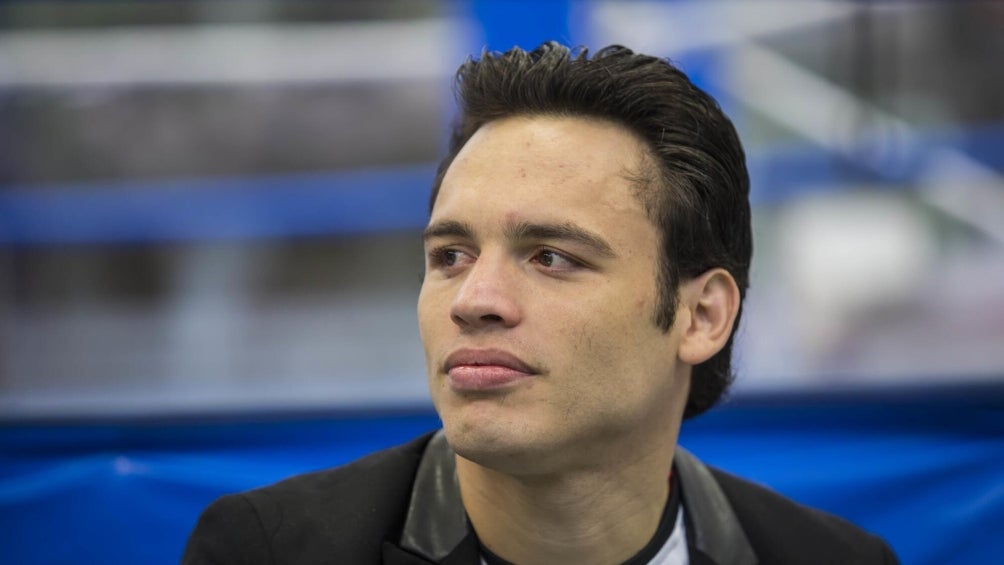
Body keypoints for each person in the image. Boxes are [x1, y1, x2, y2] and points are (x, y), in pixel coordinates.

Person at [182, 42, 898, 565]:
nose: (474, 300)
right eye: (450, 256)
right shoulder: (268, 551)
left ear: (702, 316)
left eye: (552, 257)